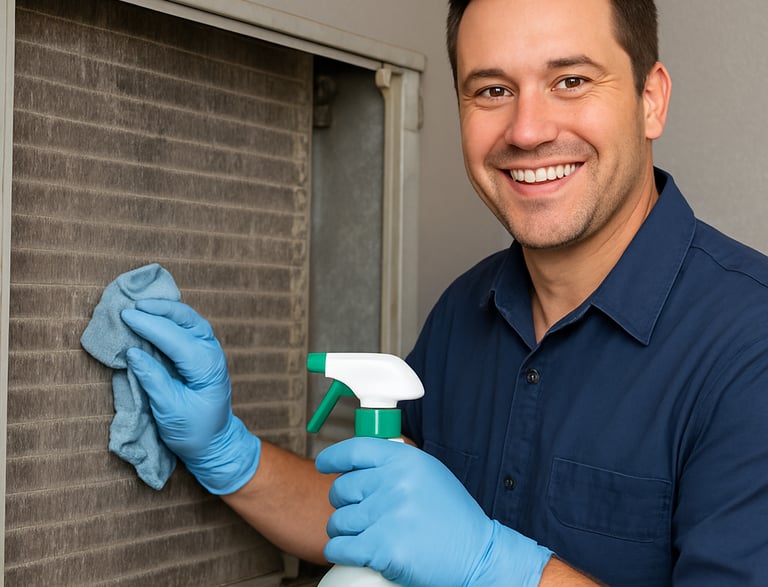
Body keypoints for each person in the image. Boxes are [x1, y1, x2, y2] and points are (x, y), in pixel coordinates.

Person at [120, 0, 768, 584]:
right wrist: (226, 452)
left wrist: (496, 564)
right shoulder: (465, 311)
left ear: (650, 98)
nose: (527, 130)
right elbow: (379, 516)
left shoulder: (749, 344)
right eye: (492, 89)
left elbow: (453, 545)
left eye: (570, 80)